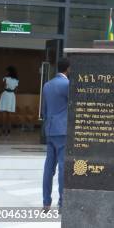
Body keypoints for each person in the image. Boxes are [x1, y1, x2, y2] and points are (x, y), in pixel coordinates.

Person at [42, 57, 70, 212]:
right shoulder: (67, 84)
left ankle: (46, 202)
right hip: (63, 130)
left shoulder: (47, 85)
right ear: (69, 69)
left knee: (48, 168)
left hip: (50, 129)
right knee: (62, 167)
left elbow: (44, 110)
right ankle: (62, 203)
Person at [0, 66, 18, 136]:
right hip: (12, 95)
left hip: (6, 94)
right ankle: (9, 130)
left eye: (7, 71)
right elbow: (16, 90)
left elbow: (2, 87)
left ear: (9, 72)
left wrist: (4, 83)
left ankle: (3, 129)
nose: (6, 72)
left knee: (4, 113)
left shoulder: (5, 79)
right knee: (10, 113)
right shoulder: (16, 80)